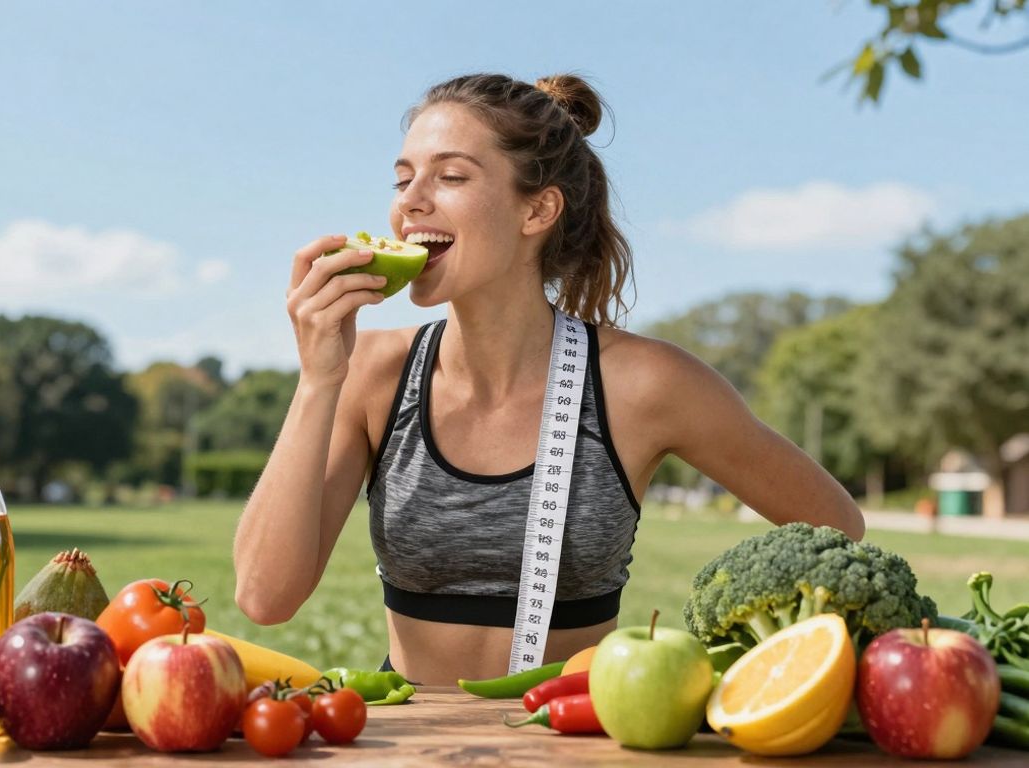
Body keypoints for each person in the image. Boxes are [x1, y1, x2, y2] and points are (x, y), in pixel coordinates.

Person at [233, 73, 865, 685]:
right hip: (412, 739)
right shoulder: (371, 373)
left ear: (537, 210)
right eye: (403, 179)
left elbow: (836, 526)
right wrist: (320, 380)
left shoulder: (644, 384)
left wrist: (740, 665)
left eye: (449, 176)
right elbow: (265, 596)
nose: (410, 201)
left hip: (577, 737)